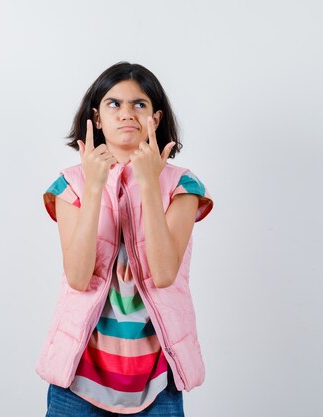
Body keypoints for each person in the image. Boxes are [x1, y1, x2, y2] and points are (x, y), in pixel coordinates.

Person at [37, 62, 214, 417]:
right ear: (97, 118)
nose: (127, 113)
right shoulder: (70, 184)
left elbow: (163, 275)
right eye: (114, 104)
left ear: (156, 117)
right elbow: (79, 276)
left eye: (140, 104)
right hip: (78, 375)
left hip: (157, 376)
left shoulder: (183, 185)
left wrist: (149, 182)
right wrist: (96, 183)